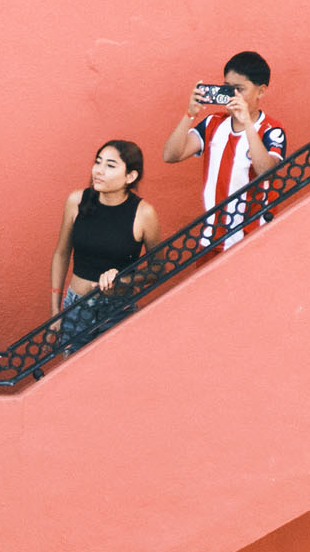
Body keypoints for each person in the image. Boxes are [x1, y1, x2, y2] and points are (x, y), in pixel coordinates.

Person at [162, 50, 287, 250]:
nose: (231, 96)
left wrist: (246, 122)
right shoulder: (213, 123)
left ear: (261, 92)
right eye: (227, 88)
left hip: (252, 238)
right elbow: (170, 155)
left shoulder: (271, 130)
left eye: (239, 89)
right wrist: (189, 113)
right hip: (211, 238)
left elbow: (267, 172)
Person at [49, 140, 163, 343]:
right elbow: (61, 253)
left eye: (110, 165)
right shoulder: (76, 201)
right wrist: (55, 309)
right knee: (74, 371)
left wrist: (124, 279)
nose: (98, 171)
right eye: (98, 162)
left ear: (131, 176)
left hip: (118, 309)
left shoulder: (144, 213)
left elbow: (158, 268)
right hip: (76, 307)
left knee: (113, 372)